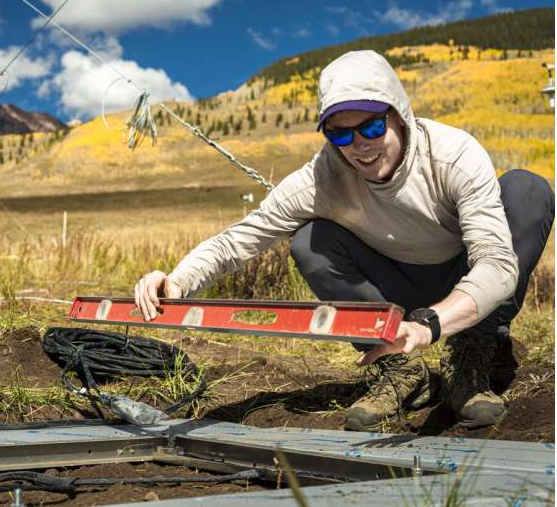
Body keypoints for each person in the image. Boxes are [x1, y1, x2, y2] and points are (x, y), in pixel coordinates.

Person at [134, 50, 554, 432]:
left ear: (399, 114)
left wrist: (430, 325)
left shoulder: (454, 155)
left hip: (464, 280)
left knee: (527, 191)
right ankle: (398, 369)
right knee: (310, 241)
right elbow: (242, 238)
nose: (360, 146)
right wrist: (177, 281)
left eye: (371, 126)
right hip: (397, 285)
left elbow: (498, 266)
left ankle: (472, 358)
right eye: (341, 134)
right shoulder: (320, 179)